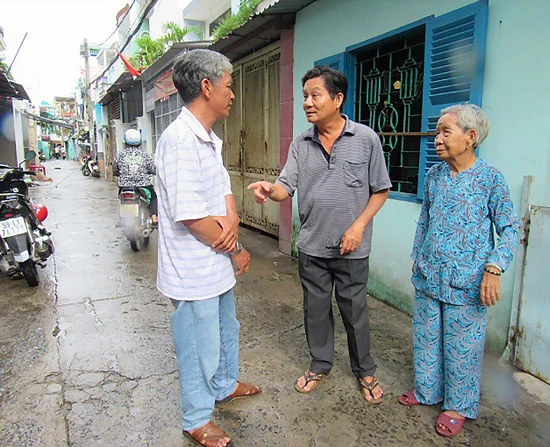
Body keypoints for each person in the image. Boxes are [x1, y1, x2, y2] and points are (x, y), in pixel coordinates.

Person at [248, 66, 392, 404]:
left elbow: (381, 190)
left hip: (351, 248)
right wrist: (271, 190)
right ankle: (320, 364)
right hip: (312, 246)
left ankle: (365, 370)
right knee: (315, 309)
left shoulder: (366, 139)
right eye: (305, 97)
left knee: (355, 311)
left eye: (315, 95)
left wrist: (358, 226)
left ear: (338, 98)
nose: (308, 103)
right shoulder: (301, 143)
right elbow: (286, 187)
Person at [155, 49, 259, 447]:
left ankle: (224, 384)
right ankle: (196, 418)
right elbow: (192, 218)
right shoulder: (179, 140)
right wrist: (233, 247)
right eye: (229, 85)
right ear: (206, 87)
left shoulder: (208, 139)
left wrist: (232, 219)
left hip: (215, 266)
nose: (232, 94)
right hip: (194, 270)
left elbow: (223, 192)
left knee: (225, 330)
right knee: (199, 344)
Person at [398, 104, 519, 437]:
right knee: (425, 338)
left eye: (444, 132)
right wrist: (417, 255)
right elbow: (425, 220)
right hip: (428, 275)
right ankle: (427, 391)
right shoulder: (434, 176)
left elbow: (510, 228)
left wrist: (494, 268)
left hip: (467, 282)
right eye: (436, 132)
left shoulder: (491, 179)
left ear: (471, 137)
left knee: (461, 345)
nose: (437, 139)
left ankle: (457, 405)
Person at [112, 128, 158, 226]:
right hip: (144, 186)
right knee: (153, 197)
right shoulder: (145, 155)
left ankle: (122, 218)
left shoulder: (119, 155)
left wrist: (117, 174)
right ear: (139, 141)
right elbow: (153, 169)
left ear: (125, 141)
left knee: (122, 199)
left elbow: (115, 169)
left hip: (125, 186)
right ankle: (154, 218)